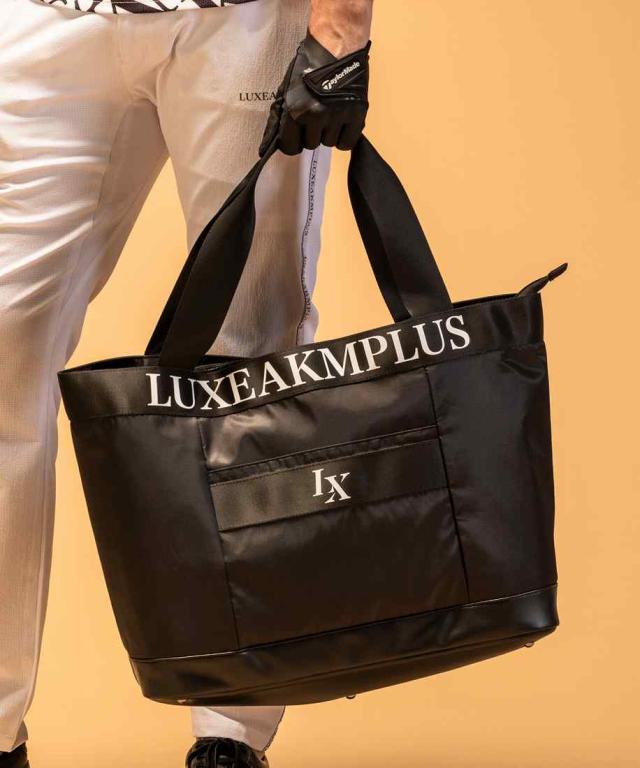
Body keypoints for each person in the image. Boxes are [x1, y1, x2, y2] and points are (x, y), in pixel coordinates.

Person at [0, 0, 373, 766]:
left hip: (241, 20)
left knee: (252, 355)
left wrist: (341, 28)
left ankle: (231, 736)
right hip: (50, 19)